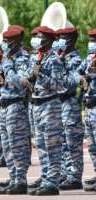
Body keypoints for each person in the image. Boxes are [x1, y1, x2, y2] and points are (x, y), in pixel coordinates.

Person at [27, 26, 64, 196]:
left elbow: (59, 85)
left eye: (40, 37)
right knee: (41, 145)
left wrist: (40, 74)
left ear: (48, 40)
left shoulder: (54, 59)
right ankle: (46, 178)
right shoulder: (38, 58)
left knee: (52, 146)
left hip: (50, 105)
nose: (37, 39)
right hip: (38, 104)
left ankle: (53, 183)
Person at [0, 27, 31, 195]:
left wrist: (8, 68)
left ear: (16, 42)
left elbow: (20, 81)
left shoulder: (23, 58)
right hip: (4, 105)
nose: (6, 44)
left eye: (8, 41)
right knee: (7, 146)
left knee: (17, 145)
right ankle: (13, 176)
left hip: (16, 104)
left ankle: (21, 180)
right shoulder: (6, 59)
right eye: (5, 41)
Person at [55, 27, 84, 190]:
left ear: (72, 40)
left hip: (69, 103)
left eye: (63, 38)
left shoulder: (74, 59)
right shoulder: (60, 57)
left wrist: (60, 62)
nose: (60, 41)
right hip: (58, 103)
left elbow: (70, 82)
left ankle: (75, 176)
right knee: (62, 142)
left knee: (72, 141)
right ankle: (66, 173)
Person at [76, 28, 96, 192]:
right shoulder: (89, 58)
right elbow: (76, 73)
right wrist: (82, 77)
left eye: (94, 40)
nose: (91, 43)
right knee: (92, 146)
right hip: (89, 107)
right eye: (90, 39)